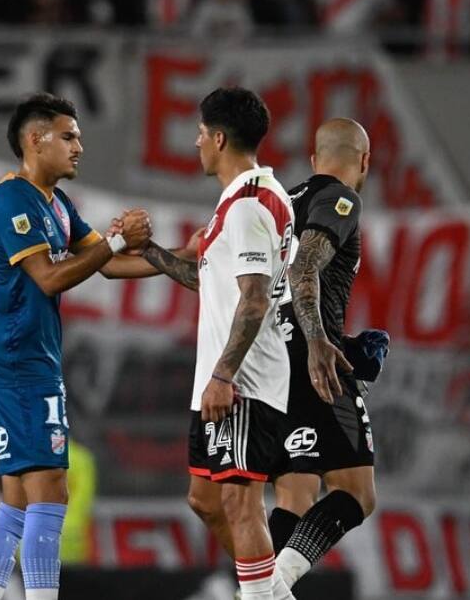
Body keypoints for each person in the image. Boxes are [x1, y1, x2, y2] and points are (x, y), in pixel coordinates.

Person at [0, 92, 159, 600]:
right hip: (15, 360)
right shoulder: (12, 200)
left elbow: (107, 262)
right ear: (36, 140)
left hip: (26, 359)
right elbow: (51, 278)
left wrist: (181, 261)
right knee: (51, 489)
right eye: (69, 136)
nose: (80, 146)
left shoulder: (56, 203)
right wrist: (116, 243)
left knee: (15, 502)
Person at [140, 87, 296, 600]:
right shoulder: (239, 203)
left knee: (239, 504)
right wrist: (149, 251)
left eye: (202, 133)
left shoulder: (251, 206)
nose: (196, 142)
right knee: (204, 499)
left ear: (221, 138)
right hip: (224, 381)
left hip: (243, 383)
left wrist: (224, 376)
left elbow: (253, 301)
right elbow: (210, 279)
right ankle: (275, 593)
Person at [267, 119, 389, 590]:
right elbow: (305, 267)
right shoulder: (342, 198)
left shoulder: (279, 206)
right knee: (357, 492)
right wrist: (321, 340)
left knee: (296, 491)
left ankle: (263, 586)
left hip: (268, 364)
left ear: (314, 159)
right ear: (364, 161)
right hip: (312, 361)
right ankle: (270, 587)